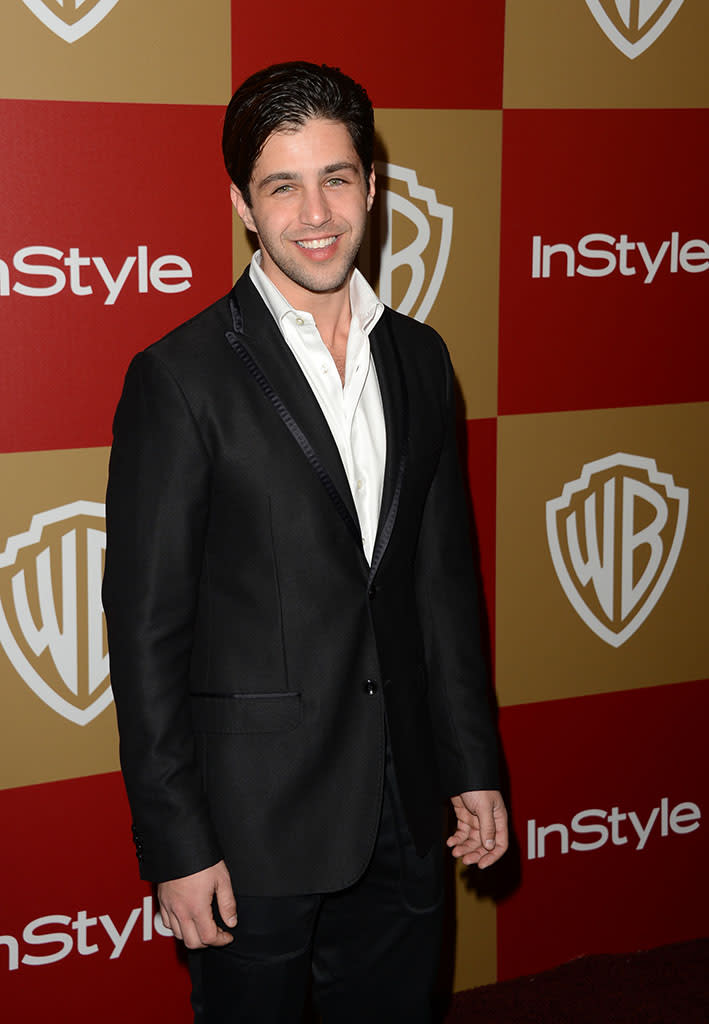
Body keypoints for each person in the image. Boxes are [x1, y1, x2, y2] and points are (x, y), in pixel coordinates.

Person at [102, 60, 508, 1024]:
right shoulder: (181, 377)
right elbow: (146, 630)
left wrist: (471, 764)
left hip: (406, 810)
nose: (314, 211)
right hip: (251, 831)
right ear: (243, 202)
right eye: (282, 184)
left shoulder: (420, 356)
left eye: (336, 176)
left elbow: (441, 587)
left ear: (372, 183)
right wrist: (176, 844)